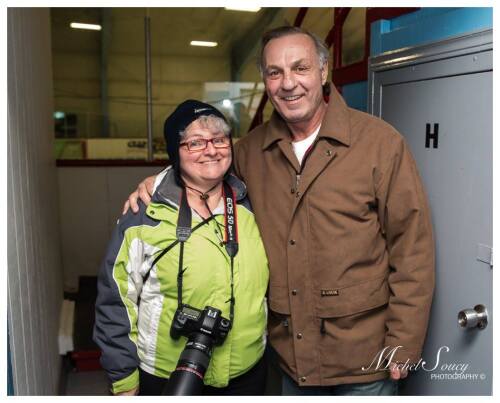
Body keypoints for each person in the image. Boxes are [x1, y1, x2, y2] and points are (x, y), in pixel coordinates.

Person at [124, 26, 435, 396]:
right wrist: (162, 183)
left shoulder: (380, 144)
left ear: (323, 72)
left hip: (364, 359)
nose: (288, 84)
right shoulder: (250, 152)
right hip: (290, 360)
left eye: (300, 68)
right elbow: (203, 169)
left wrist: (404, 340)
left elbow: (412, 247)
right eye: (275, 73)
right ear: (266, 82)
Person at [94, 100, 269, 395]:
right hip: (166, 373)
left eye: (219, 139)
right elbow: (115, 300)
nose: (211, 150)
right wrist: (123, 377)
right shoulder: (145, 213)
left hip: (247, 369)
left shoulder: (252, 203)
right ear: (176, 152)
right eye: (195, 143)